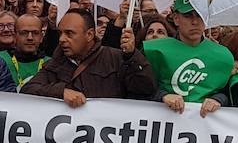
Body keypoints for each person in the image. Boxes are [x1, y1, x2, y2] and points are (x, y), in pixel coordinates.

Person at [25, 8, 158, 103]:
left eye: (69, 33)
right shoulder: (55, 64)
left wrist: (132, 56)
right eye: (61, 33)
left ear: (89, 35)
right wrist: (61, 92)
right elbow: (28, 90)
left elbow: (146, 88)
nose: (62, 39)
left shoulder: (116, 59)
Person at [143, 0, 233, 116]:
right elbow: (141, 87)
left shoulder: (223, 56)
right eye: (188, 15)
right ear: (176, 18)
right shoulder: (154, 51)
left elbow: (229, 93)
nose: (195, 22)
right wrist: (163, 96)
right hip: (163, 124)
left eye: (199, 15)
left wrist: (218, 99)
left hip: (204, 126)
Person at [0, 14, 48, 90]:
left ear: (41, 37)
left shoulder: (51, 64)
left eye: (35, 33)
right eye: (24, 33)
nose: (30, 38)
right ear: (14, 36)